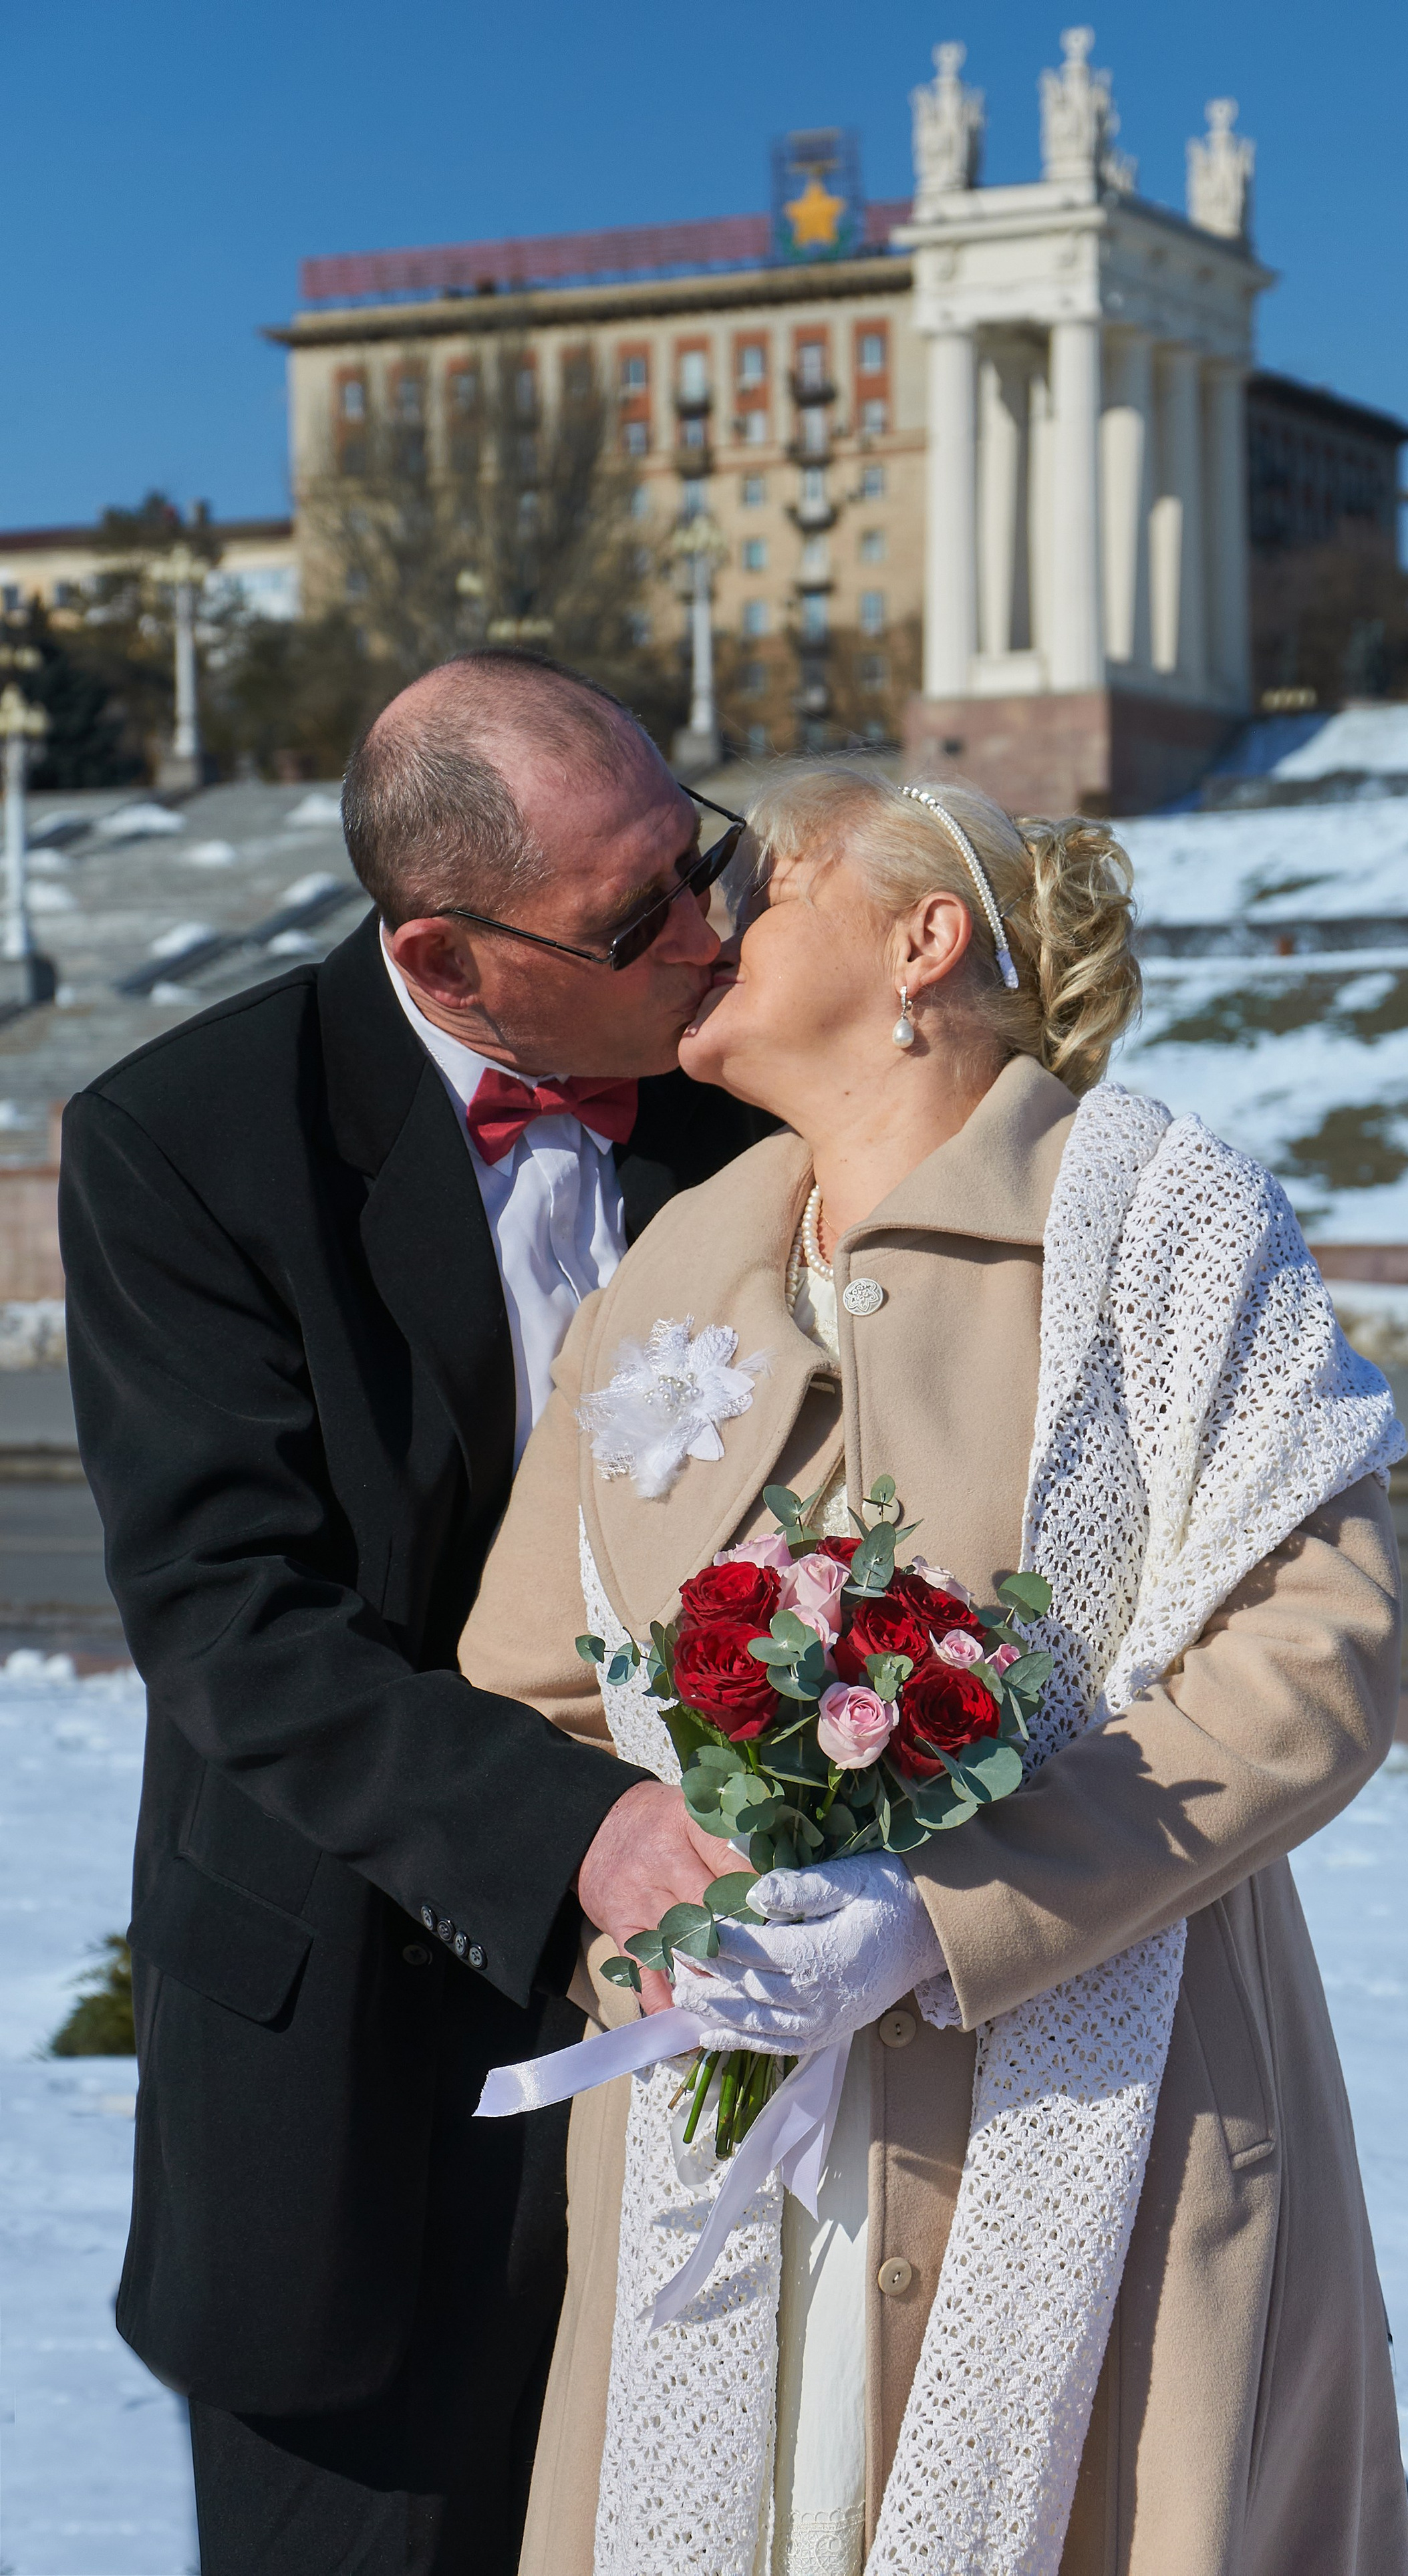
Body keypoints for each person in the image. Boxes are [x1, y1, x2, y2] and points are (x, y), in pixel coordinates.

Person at [459, 763, 1408, 2576]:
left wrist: (947, 1911)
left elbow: (1316, 1653)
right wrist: (658, 1919)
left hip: (1102, 2127)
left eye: (776, 876)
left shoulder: (1161, 1222)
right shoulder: (673, 1259)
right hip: (729, 2167)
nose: (712, 914)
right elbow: (536, 1693)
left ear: (924, 939)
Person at [57, 652, 766, 2576]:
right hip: (356, 2042)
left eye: (702, 854)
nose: (711, 934)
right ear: (447, 961)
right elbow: (233, 1623)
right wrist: (587, 1833)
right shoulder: (184, 1146)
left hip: (746, 2020)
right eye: (643, 916)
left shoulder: (753, 1082)